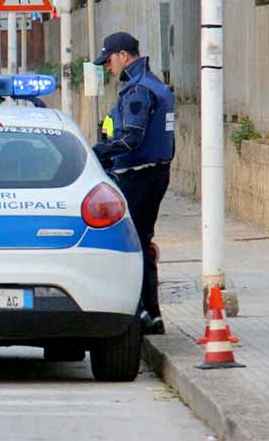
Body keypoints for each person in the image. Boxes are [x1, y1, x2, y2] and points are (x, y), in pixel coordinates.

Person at [92, 32, 175, 335]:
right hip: (154, 173)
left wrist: (94, 153)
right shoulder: (154, 85)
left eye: (110, 60)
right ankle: (151, 314)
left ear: (123, 55)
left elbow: (131, 138)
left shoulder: (137, 91)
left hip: (138, 177)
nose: (108, 67)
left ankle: (142, 312)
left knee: (130, 245)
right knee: (141, 242)